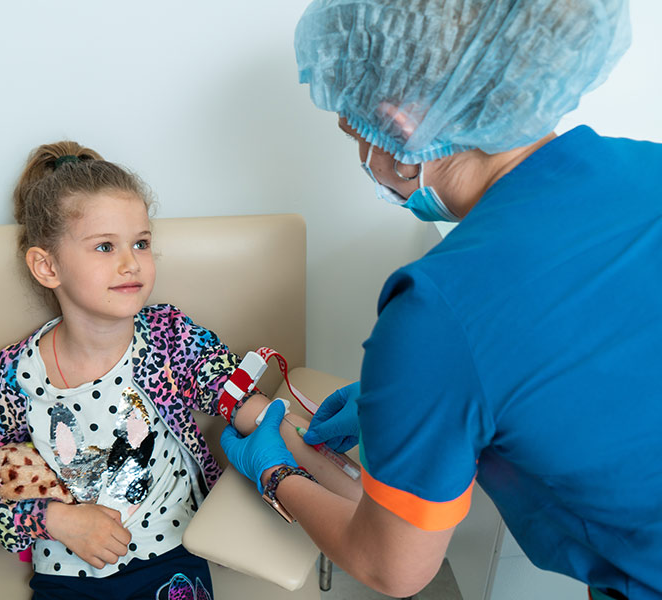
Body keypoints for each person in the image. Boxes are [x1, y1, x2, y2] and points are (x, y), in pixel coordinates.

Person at [220, 1, 662, 599]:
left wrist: (276, 473)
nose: (360, 153)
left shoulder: (438, 308)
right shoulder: (651, 166)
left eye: (353, 132)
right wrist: (417, 400)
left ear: (400, 126)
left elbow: (392, 567)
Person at [0, 141, 361, 600]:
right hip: (66, 578)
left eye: (141, 243)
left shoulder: (167, 336)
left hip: (170, 558)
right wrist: (57, 520)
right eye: (105, 246)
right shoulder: (11, 379)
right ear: (47, 266)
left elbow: (239, 401)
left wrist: (331, 465)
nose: (130, 262)